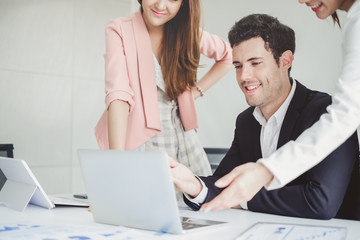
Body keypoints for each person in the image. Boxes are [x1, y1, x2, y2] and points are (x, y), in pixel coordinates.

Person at [170, 14, 360, 220]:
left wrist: (242, 196)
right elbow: (222, 184)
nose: (244, 76)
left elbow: (320, 202)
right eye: (238, 66)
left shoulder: (327, 113)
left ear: (285, 61)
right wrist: (193, 184)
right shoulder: (246, 122)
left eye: (255, 63)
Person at [94, 0, 232, 187]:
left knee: (199, 205)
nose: (160, 5)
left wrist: (195, 92)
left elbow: (227, 56)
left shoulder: (187, 32)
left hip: (187, 144)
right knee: (143, 207)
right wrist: (116, 166)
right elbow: (118, 95)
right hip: (144, 144)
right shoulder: (119, 29)